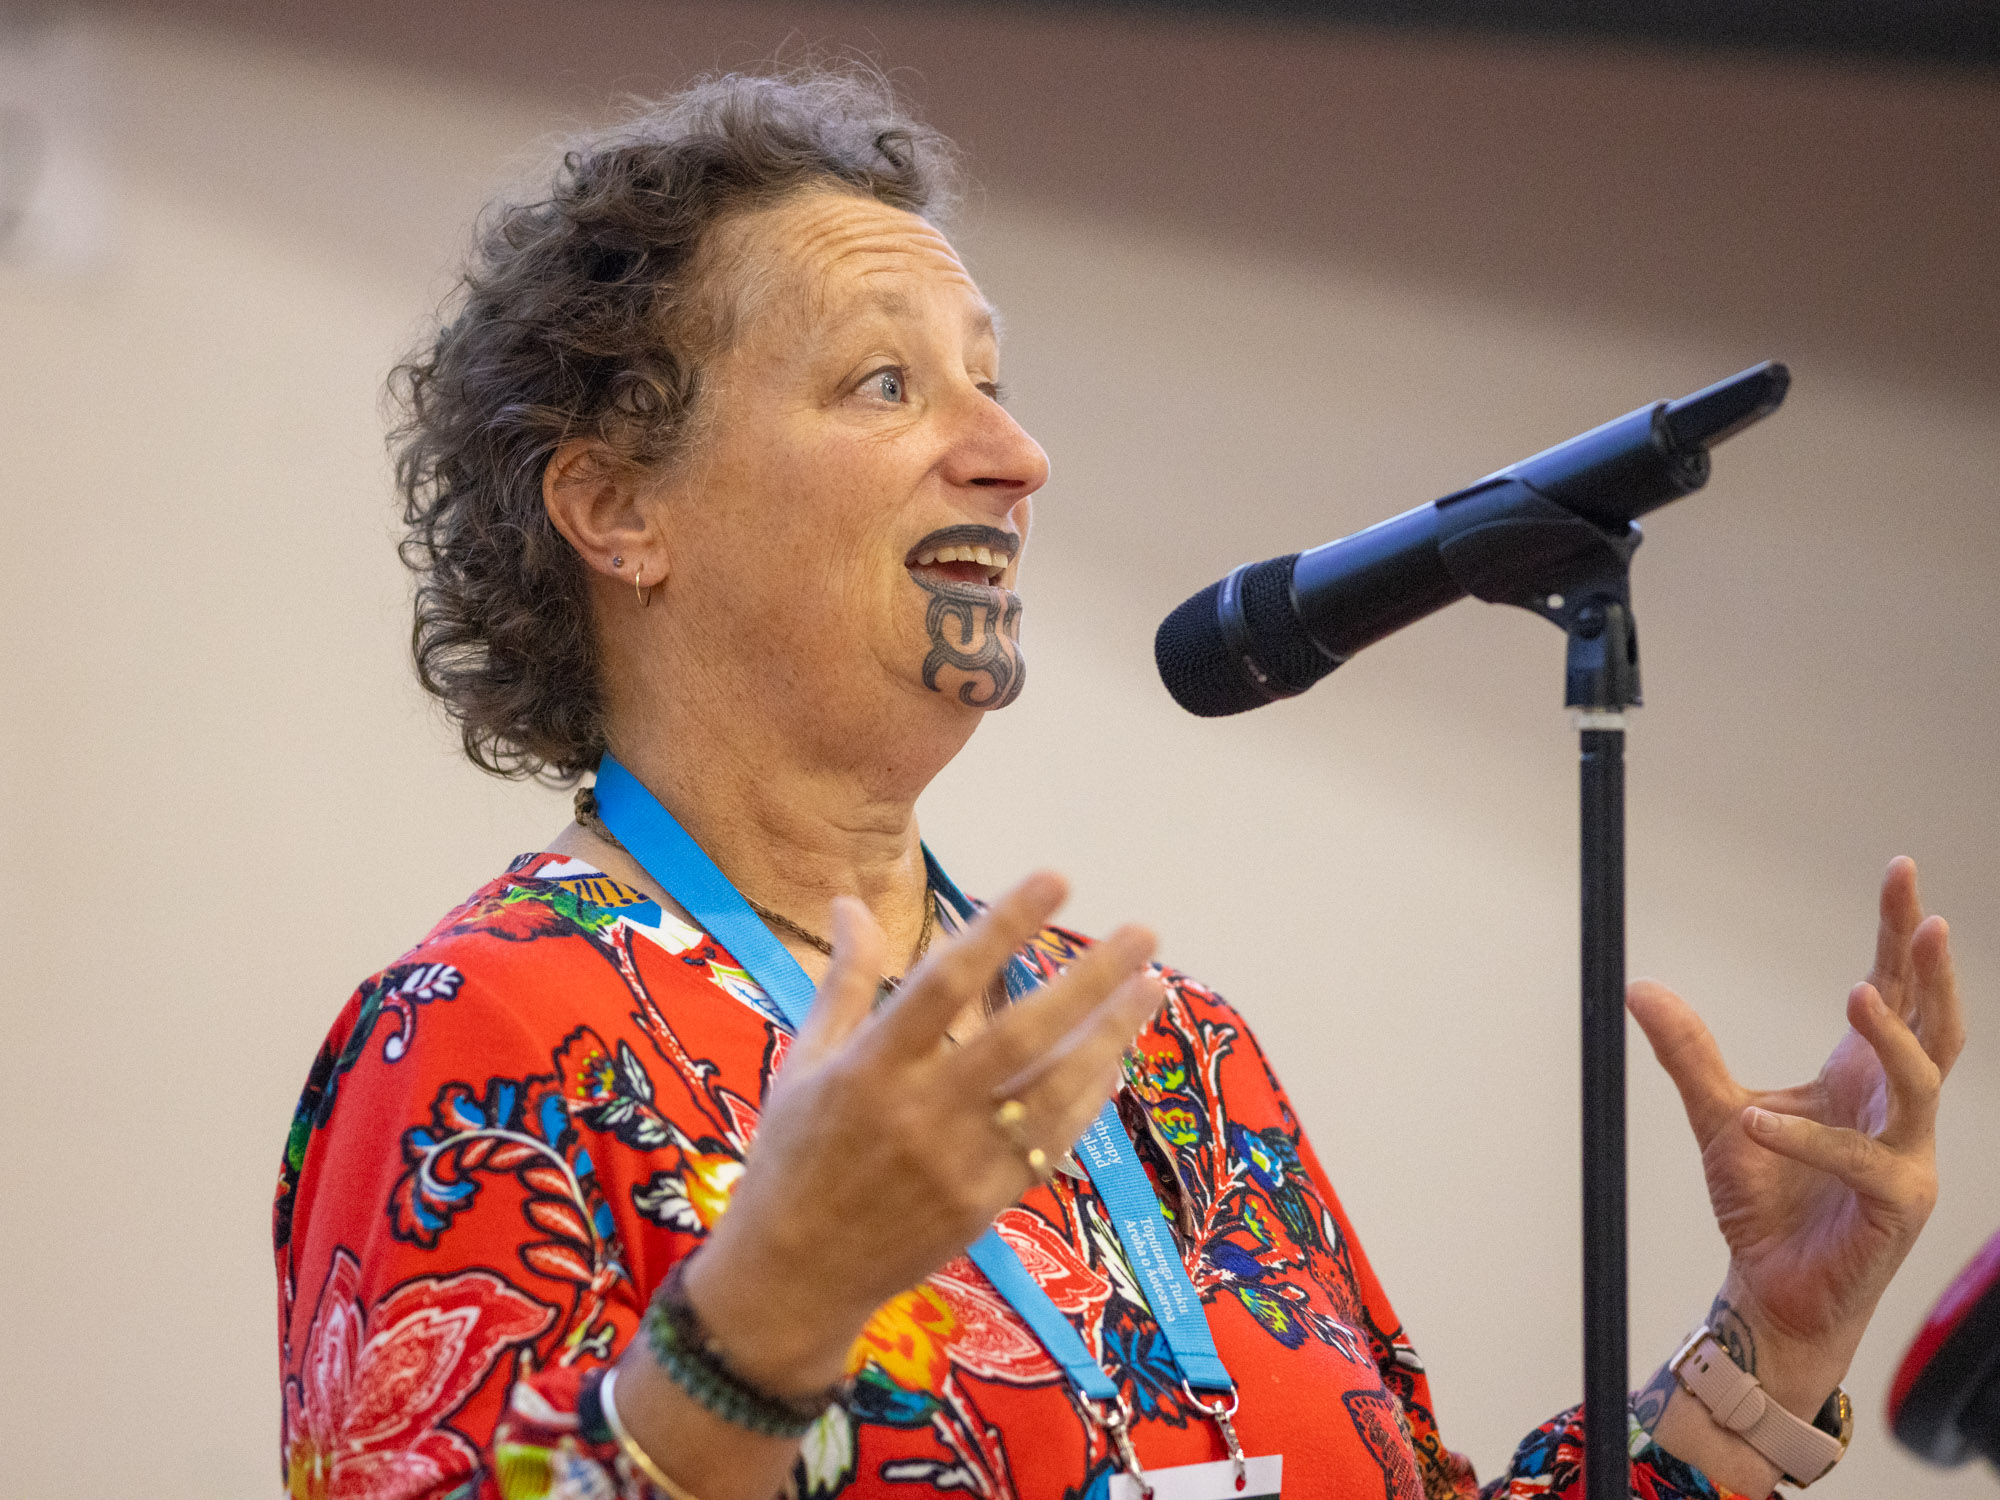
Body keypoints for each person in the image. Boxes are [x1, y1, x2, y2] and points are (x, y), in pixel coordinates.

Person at [273, 71, 1966, 1500]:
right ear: (616, 510)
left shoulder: (1169, 1056)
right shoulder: (485, 1032)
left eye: (992, 383)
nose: (1015, 457)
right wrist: (759, 1325)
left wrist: (1771, 1344)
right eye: (885, 383)